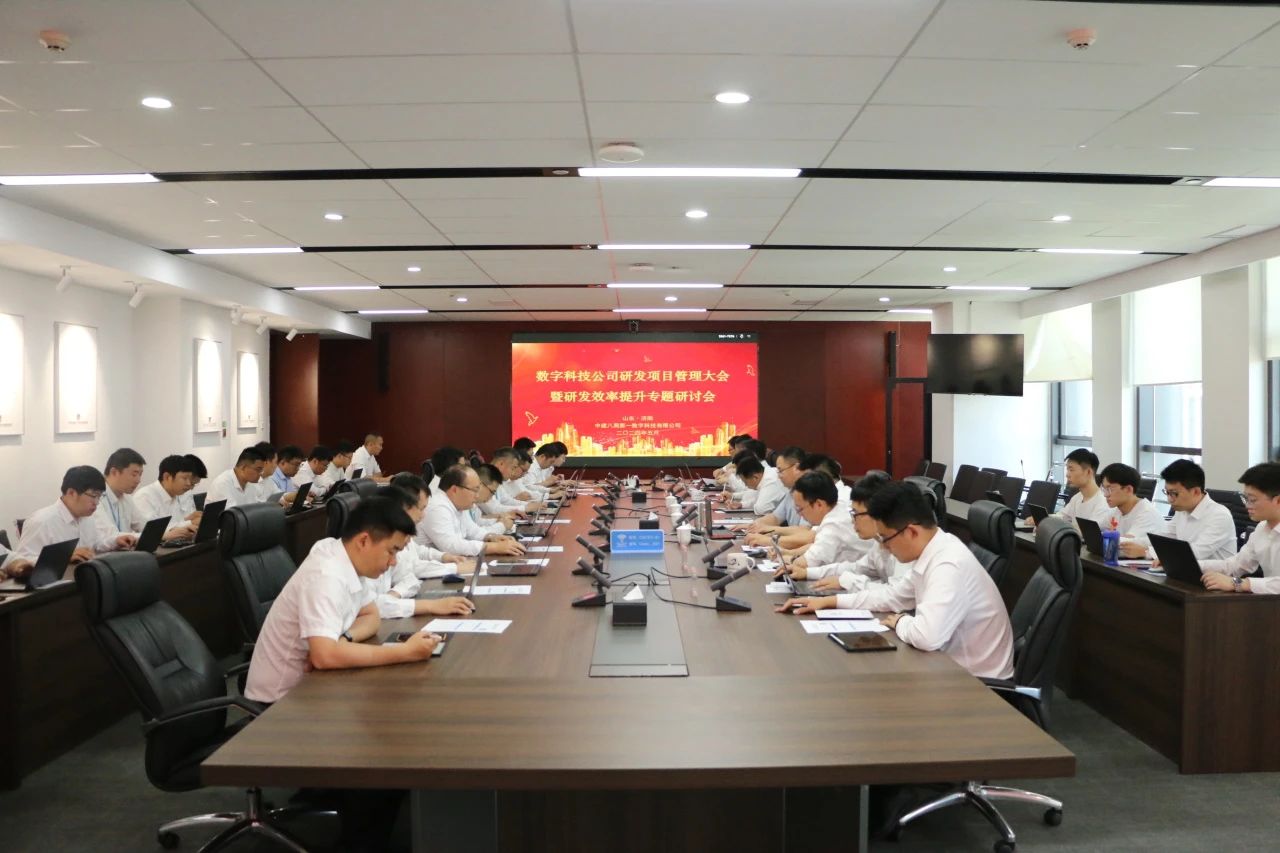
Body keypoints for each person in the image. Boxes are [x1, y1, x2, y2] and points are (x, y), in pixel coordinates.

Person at [780, 481, 1015, 680]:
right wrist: (829, 602)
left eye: (886, 538)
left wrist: (901, 620)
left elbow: (926, 637)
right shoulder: (935, 550)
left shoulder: (948, 564)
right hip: (948, 667)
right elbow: (892, 597)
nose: (884, 546)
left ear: (911, 531)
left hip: (978, 684)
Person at [365, 486, 475, 619]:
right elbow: (371, 607)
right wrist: (431, 605)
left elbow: (410, 578)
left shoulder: (390, 541)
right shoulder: (374, 548)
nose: (423, 515)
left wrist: (392, 596)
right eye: (421, 508)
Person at [7, 466, 137, 574]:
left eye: (100, 496)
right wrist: (63, 557)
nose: (97, 502)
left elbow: (95, 544)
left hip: (83, 578)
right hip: (53, 588)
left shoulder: (87, 517)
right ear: (71, 493)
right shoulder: (41, 521)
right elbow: (22, 562)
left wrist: (115, 541)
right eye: (93, 496)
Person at [806, 472, 906, 595]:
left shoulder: (904, 546)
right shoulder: (879, 543)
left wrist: (846, 582)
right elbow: (856, 568)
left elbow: (896, 594)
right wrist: (807, 573)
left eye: (856, 514)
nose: (852, 521)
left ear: (877, 512)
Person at [1120, 459, 1236, 560]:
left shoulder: (1219, 516)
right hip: (1185, 573)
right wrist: (1122, 542)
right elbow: (1161, 538)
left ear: (1196, 491)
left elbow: (1194, 553)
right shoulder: (1182, 511)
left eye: (1174, 493)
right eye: (1167, 492)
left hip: (1214, 577)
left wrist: (1147, 553)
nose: (1169, 499)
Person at [1198, 462, 1280, 594]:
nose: (1247, 505)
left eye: (1252, 500)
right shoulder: (1262, 528)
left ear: (1278, 501)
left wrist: (1238, 583)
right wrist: (1191, 565)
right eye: (1246, 499)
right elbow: (1235, 565)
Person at [774, 471, 868, 576]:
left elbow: (806, 563)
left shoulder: (834, 524)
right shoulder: (839, 508)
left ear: (819, 504)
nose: (799, 514)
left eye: (800, 509)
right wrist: (790, 553)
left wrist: (789, 559)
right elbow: (818, 546)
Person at [420, 465, 525, 557]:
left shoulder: (458, 504)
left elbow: (472, 530)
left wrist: (492, 537)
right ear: (454, 490)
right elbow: (450, 546)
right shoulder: (437, 506)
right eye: (474, 490)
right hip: (432, 569)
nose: (477, 495)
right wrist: (495, 547)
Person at [132, 454, 200, 540]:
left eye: (189, 479)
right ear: (167, 477)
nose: (189, 483)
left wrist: (187, 522)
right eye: (184, 478)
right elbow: (152, 530)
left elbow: (174, 524)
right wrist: (189, 523)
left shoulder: (176, 494)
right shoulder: (144, 496)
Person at [1098, 462, 1165, 538]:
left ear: (1128, 489)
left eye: (1110, 489)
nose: (1105, 495)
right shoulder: (1117, 511)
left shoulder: (1146, 513)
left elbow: (1127, 543)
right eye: (1104, 489)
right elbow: (1096, 528)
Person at [1049, 448, 1110, 528]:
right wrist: (1043, 519)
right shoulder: (1077, 498)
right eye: (1067, 469)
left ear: (1088, 472)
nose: (1067, 475)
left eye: (1071, 470)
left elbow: (1088, 531)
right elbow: (1061, 516)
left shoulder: (1102, 503)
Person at [93, 448, 146, 537]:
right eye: (134, 474)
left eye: (140, 475)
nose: (138, 480)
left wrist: (163, 533)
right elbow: (110, 535)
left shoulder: (126, 497)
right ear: (114, 472)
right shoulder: (95, 497)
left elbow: (144, 525)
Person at [176, 454, 208, 520]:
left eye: (194, 484)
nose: (192, 488)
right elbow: (171, 524)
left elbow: (192, 513)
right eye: (191, 483)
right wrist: (188, 520)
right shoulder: (167, 496)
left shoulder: (187, 492)